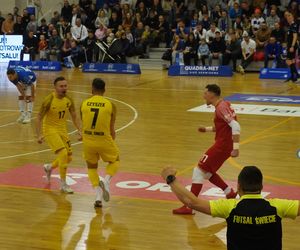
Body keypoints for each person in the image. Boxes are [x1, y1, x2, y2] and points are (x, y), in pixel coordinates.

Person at [162, 165, 300, 250]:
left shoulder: (229, 207)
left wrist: (170, 179)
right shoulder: (278, 206)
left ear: (238, 187)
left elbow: (191, 202)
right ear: (261, 187)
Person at [173, 84, 241, 215]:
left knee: (199, 170)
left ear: (212, 94)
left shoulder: (221, 107)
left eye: (205, 93)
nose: (203, 96)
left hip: (222, 146)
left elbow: (235, 126)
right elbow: (224, 127)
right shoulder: (224, 104)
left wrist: (236, 148)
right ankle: (229, 193)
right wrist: (206, 129)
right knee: (208, 171)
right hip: (224, 145)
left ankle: (190, 206)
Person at [36, 77, 81, 194]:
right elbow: (39, 117)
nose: (64, 88)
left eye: (65, 86)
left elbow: (74, 116)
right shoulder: (49, 100)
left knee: (69, 157)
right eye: (61, 86)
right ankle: (63, 184)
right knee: (63, 153)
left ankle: (49, 167)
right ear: (55, 87)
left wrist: (80, 130)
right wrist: (39, 134)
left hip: (62, 129)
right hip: (50, 129)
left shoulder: (68, 99)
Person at [80, 78, 120, 208]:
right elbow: (111, 128)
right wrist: (111, 139)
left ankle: (98, 197)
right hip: (103, 139)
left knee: (92, 167)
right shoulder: (110, 105)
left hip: (88, 141)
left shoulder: (84, 103)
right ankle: (107, 181)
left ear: (92, 89)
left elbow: (83, 122)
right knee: (115, 160)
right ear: (104, 90)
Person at [285, 12, 299, 82]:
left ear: (293, 17)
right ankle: (293, 77)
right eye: (287, 16)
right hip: (289, 46)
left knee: (288, 61)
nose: (288, 17)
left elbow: (295, 36)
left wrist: (292, 46)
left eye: (289, 16)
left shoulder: (294, 25)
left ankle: (297, 76)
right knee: (292, 61)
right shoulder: (290, 26)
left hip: (292, 46)